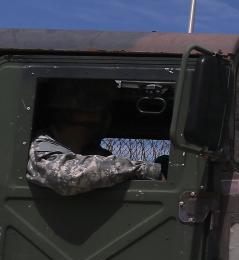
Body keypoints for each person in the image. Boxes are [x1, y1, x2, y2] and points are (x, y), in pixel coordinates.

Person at [26, 79, 162, 196]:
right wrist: (143, 169)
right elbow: (68, 176)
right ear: (72, 112)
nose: (105, 116)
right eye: (96, 106)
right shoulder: (41, 146)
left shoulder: (92, 152)